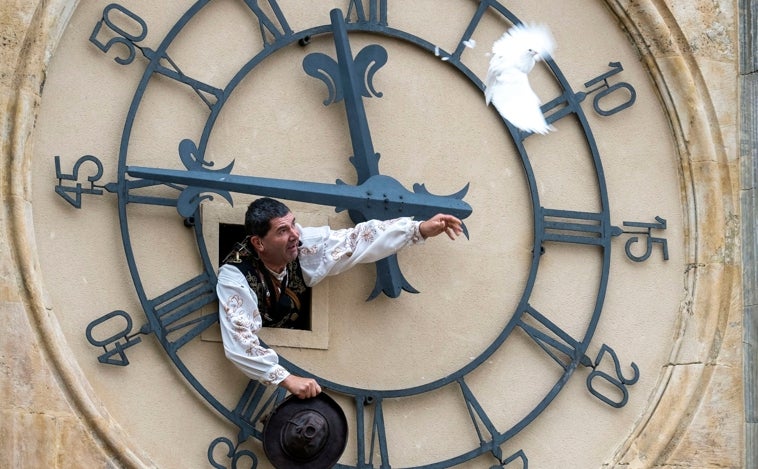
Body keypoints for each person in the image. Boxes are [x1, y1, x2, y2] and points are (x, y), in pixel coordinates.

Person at [216, 197, 464, 399]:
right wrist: (286, 379)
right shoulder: (234, 276)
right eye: (283, 230)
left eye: (294, 224)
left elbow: (357, 239)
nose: (295, 235)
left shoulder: (304, 245)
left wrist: (418, 229)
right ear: (258, 243)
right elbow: (239, 338)